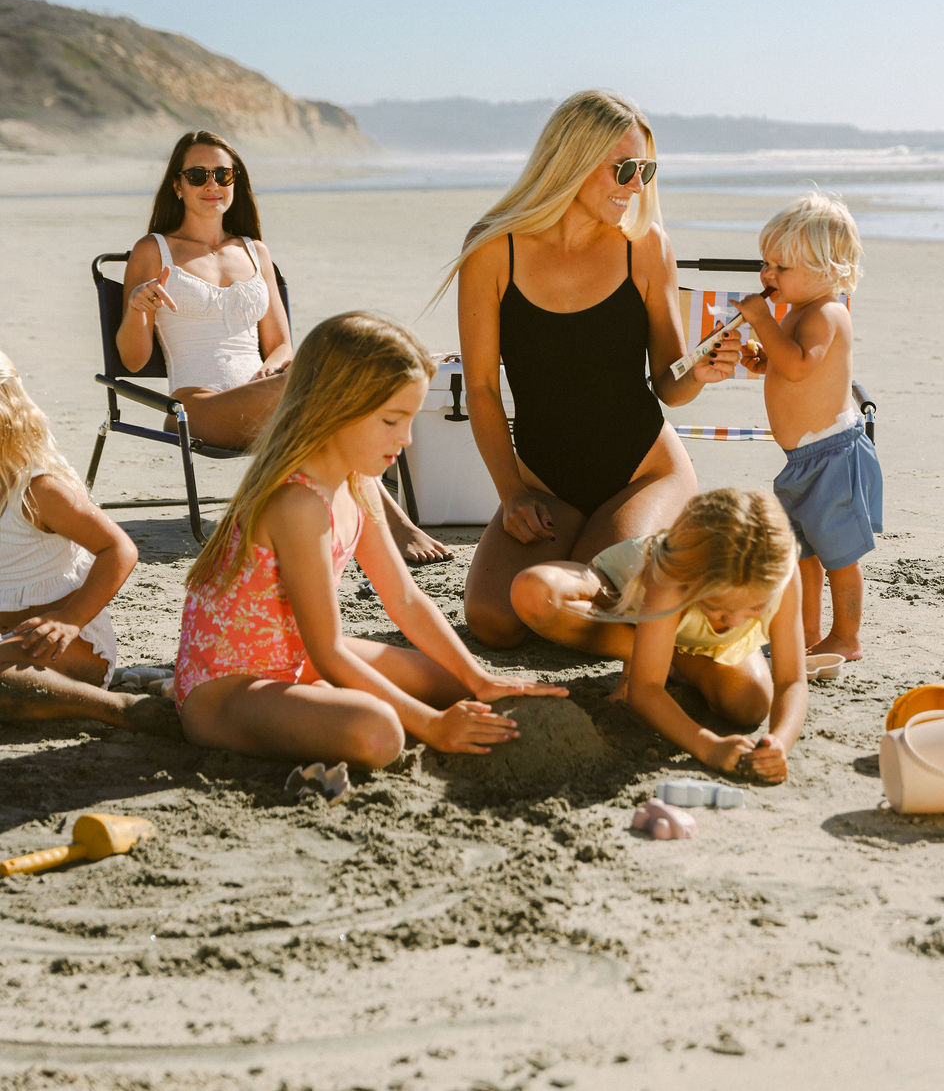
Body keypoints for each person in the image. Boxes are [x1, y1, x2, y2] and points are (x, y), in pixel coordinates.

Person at [174, 311, 567, 768]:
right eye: (392, 420)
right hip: (228, 688)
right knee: (379, 731)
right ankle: (312, 706)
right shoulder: (298, 505)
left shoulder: (359, 482)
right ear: (336, 406)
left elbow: (404, 598)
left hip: (298, 659)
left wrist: (479, 680)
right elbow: (330, 650)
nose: (406, 438)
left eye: (411, 420)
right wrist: (433, 726)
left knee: (454, 682)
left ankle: (319, 703)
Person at [441, 89, 740, 648]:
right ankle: (653, 629)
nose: (637, 186)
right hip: (544, 481)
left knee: (597, 591)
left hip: (642, 473)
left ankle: (668, 644)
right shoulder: (492, 247)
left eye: (646, 170)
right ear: (571, 161)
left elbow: (669, 388)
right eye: (623, 169)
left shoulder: (646, 246)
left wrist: (699, 372)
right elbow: (480, 388)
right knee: (493, 622)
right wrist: (511, 494)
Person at [116, 129, 450, 564]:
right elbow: (133, 359)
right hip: (196, 408)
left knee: (323, 382)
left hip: (270, 396)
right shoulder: (152, 250)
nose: (212, 185)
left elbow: (281, 345)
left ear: (236, 182)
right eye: (198, 175)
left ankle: (377, 519)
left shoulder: (254, 251)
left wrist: (272, 370)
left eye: (223, 173)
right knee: (314, 396)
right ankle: (394, 526)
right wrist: (139, 309)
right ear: (177, 185)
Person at [510, 488, 807, 782]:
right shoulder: (673, 573)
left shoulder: (781, 574)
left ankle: (661, 655)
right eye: (716, 607)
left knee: (749, 704)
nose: (735, 620)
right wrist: (709, 747)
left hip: (684, 639)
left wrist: (780, 741)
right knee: (535, 592)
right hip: (622, 601)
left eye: (755, 607)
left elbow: (791, 679)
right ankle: (641, 651)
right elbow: (646, 689)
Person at [735, 192, 883, 661]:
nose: (767, 276)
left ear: (829, 272)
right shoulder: (800, 312)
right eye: (766, 264)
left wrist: (762, 324)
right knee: (803, 552)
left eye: (781, 268)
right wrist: (764, 361)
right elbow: (791, 369)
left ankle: (847, 636)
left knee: (838, 555)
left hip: (832, 456)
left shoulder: (826, 315)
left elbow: (799, 367)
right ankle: (805, 631)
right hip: (802, 459)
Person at [0, 351, 172, 735]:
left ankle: (118, 709)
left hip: (64, 644)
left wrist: (70, 619)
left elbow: (119, 549)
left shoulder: (37, 490)